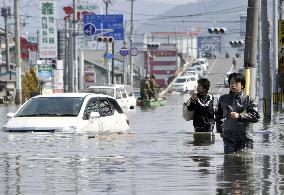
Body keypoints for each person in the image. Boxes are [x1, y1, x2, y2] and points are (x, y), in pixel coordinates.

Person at [215, 72, 260, 154]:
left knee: (245, 161)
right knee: (229, 162)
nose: (233, 85)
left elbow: (256, 117)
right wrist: (220, 130)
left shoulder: (248, 100)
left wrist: (239, 116)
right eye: (232, 82)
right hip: (229, 139)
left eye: (236, 83)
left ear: (242, 85)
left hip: (245, 138)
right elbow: (218, 116)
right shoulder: (223, 99)